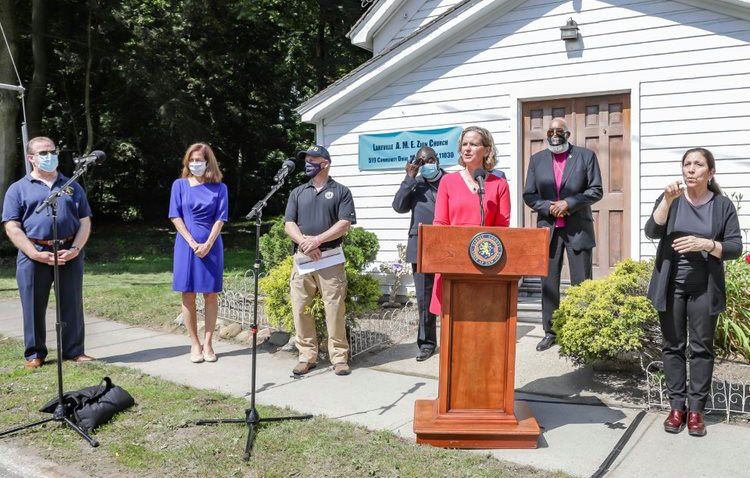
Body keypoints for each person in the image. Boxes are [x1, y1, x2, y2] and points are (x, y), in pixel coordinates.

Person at [645, 147, 742, 437]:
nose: (690, 169)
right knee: (672, 346)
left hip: (704, 289)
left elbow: (735, 247)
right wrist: (666, 200)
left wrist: (706, 245)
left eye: (698, 165)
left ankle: (696, 410)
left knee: (701, 348)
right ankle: (677, 408)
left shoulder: (722, 206)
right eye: (686, 164)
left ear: (710, 173)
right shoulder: (671, 200)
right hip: (671, 286)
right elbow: (652, 230)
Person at [1, 136, 94, 368]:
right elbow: (11, 226)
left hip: (68, 252)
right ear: (31, 158)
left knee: (71, 302)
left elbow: (85, 221)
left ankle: (73, 350)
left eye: (52, 151)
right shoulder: (18, 189)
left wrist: (75, 249)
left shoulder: (71, 185)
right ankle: (35, 353)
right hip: (34, 253)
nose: (49, 156)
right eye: (43, 153)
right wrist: (33, 253)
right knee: (33, 303)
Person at [523, 117, 603, 352]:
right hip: (548, 231)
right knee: (549, 283)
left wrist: (569, 203)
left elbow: (596, 190)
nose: (554, 134)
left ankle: (583, 330)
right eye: (550, 131)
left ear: (568, 134)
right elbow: (529, 195)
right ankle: (550, 331)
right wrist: (549, 206)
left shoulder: (585, 156)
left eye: (559, 131)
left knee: (582, 283)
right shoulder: (537, 160)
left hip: (578, 228)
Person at [285, 145, 356, 376]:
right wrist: (306, 243)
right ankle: (307, 356)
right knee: (300, 307)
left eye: (312, 159)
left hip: (330, 258)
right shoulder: (297, 192)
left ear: (325, 163)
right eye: (305, 159)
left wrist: (317, 240)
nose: (307, 163)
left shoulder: (341, 191)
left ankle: (339, 358)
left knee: (334, 307)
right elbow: (289, 224)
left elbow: (344, 224)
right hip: (303, 258)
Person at [429, 126, 511, 316]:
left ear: (487, 150)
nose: (467, 148)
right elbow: (440, 223)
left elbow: (502, 229)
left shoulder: (499, 185)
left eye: (473, 144)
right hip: (453, 262)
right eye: (464, 144)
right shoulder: (448, 182)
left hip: (486, 263)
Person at [169, 143, 228, 364]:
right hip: (186, 246)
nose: (195, 164)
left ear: (208, 162)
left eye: (199, 160)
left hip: (212, 247)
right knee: (188, 294)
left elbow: (221, 218)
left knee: (211, 294)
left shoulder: (220, 188)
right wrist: (194, 243)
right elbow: (175, 216)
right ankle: (194, 343)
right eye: (191, 160)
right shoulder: (179, 185)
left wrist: (208, 244)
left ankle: (209, 343)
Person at [392, 146, 445, 362]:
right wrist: (409, 177)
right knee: (424, 297)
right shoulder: (415, 183)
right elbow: (398, 206)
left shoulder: (451, 181)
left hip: (447, 244)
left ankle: (455, 338)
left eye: (430, 160)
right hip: (420, 246)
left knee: (451, 295)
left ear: (438, 160)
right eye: (422, 161)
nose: (427, 164)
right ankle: (427, 343)